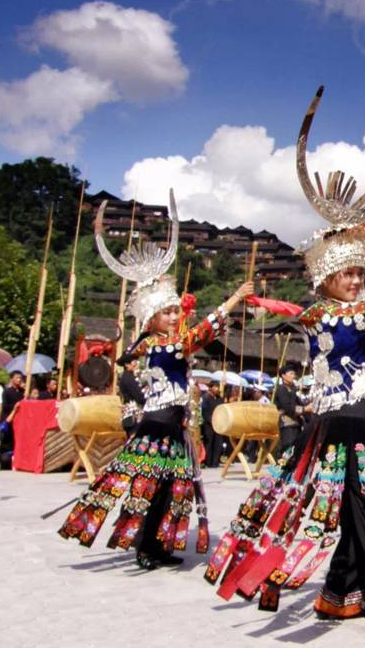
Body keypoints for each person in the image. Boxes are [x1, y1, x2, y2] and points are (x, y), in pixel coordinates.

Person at [205, 90, 365, 646]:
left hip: (363, 423)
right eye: (345, 272)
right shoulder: (330, 313)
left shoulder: (348, 311)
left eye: (357, 271)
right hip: (343, 427)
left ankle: (341, 594)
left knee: (354, 512)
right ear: (323, 279)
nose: (355, 278)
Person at [59, 192, 253, 570]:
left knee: (170, 490)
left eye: (173, 310)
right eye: (167, 312)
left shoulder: (164, 343)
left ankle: (157, 544)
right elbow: (195, 337)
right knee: (149, 487)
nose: (173, 315)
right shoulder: (160, 346)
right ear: (151, 317)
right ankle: (146, 545)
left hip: (173, 425)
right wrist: (231, 300)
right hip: (158, 425)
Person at [273, 363, 307, 459]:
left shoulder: (293, 390)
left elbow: (300, 404)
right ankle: (283, 471)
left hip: (296, 424)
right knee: (287, 450)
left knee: (296, 451)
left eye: (294, 374)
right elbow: (289, 408)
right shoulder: (281, 389)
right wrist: (305, 409)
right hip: (286, 424)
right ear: (283, 375)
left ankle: (292, 472)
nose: (293, 376)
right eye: (291, 373)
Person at [1, 370, 25, 466]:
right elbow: (5, 406)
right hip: (9, 419)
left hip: (20, 421)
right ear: (12, 379)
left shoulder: (22, 392)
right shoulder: (7, 392)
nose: (19, 380)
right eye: (17, 378)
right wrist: (15, 406)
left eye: (20, 378)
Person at [117, 358, 145, 437]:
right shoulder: (128, 378)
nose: (137, 364)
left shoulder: (130, 376)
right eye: (134, 361)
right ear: (126, 364)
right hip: (134, 413)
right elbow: (139, 397)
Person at [200, 381, 224, 468]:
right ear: (210, 388)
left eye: (218, 387)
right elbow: (205, 412)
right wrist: (211, 420)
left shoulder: (219, 399)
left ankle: (215, 462)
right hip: (208, 424)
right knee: (209, 443)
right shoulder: (205, 398)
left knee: (218, 442)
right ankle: (208, 461)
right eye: (215, 387)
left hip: (218, 424)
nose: (217, 389)